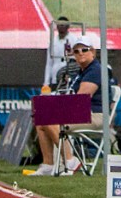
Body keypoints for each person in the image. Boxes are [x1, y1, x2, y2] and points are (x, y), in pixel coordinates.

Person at [30, 32, 104, 177]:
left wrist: (55, 105)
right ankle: (48, 164)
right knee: (41, 119)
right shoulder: (82, 72)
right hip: (83, 112)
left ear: (93, 52)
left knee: (50, 119)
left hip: (94, 115)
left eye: (84, 50)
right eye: (76, 51)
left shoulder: (95, 70)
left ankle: (71, 161)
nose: (80, 53)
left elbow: (81, 100)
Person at [42, 16, 74, 88]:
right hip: (55, 78)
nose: (61, 27)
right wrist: (46, 83)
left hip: (68, 78)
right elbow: (49, 64)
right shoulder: (53, 42)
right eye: (59, 25)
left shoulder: (74, 40)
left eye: (63, 25)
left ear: (68, 26)